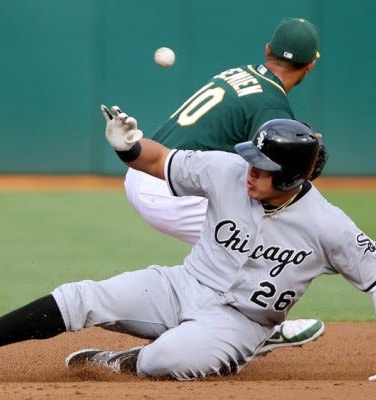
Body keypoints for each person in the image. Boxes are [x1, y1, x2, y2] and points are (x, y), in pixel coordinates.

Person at [0, 106, 376, 381]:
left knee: (167, 359)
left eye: (262, 168)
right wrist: (128, 146)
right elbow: (160, 161)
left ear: (291, 176)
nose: (249, 170)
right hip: (183, 285)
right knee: (84, 296)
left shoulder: (327, 225)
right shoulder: (227, 171)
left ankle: (122, 361)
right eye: (250, 160)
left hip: (239, 325)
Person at [124, 17, 328, 352]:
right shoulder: (271, 103)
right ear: (309, 67)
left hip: (148, 169)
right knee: (268, 236)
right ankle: (252, 328)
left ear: (267, 50)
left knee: (241, 240)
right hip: (170, 188)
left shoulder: (241, 73)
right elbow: (277, 172)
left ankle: (212, 318)